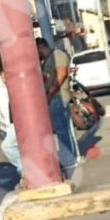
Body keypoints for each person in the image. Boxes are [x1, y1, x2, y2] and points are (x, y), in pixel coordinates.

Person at [36, 38, 78, 173]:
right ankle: (67, 158)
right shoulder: (46, 61)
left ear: (41, 46)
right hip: (53, 98)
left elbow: (62, 74)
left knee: (61, 130)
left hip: (58, 97)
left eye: (37, 50)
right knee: (59, 130)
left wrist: (50, 92)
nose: (37, 54)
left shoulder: (57, 54)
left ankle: (68, 161)